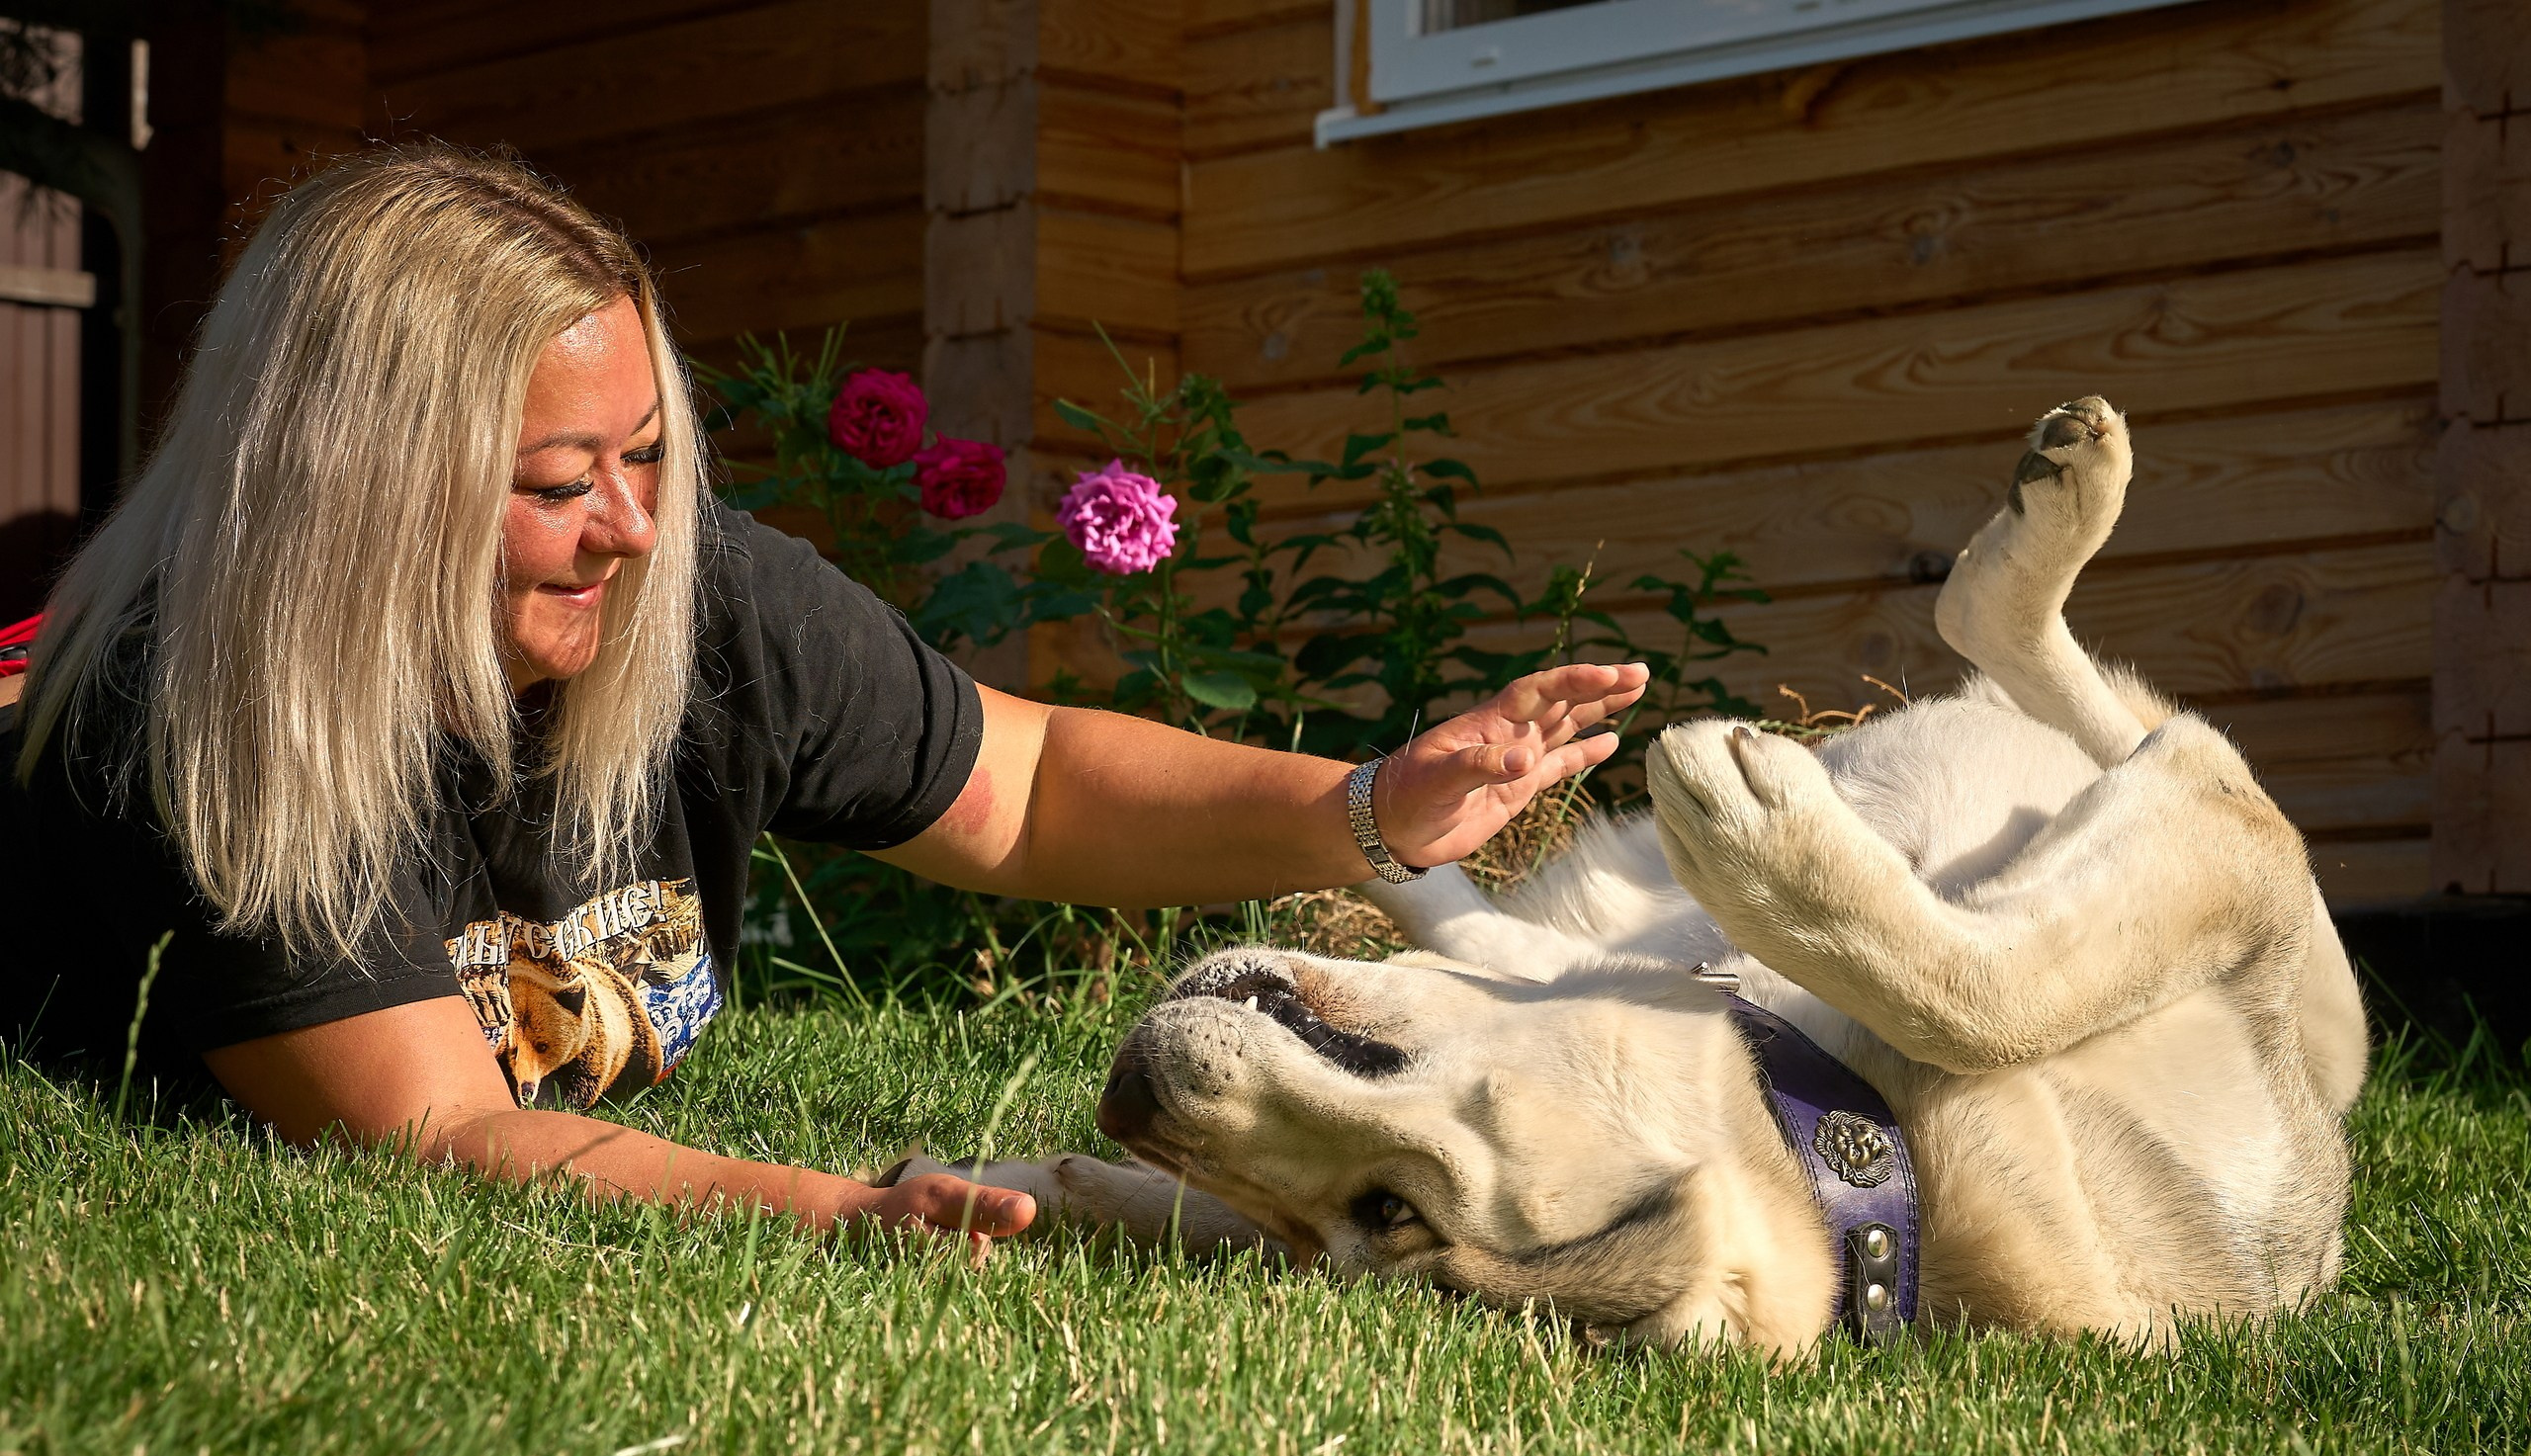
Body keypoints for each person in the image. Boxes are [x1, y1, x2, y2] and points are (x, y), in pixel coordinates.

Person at [0, 147, 1643, 1252]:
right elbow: (437, 1130)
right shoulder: (198, 728)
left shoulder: (692, 596)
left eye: (650, 456)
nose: (638, 526)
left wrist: (1361, 808)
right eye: (567, 478)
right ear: (364, 484)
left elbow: (1030, 779)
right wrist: (844, 1206)